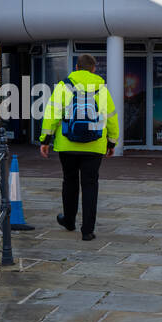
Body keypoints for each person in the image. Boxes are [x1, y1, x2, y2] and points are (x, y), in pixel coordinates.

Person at [39, 54, 119, 241]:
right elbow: (112, 117)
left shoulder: (64, 86)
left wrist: (45, 140)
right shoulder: (101, 88)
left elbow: (52, 114)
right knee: (90, 185)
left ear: (76, 67)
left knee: (70, 181)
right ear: (94, 69)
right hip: (94, 145)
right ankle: (88, 231)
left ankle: (68, 220)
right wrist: (112, 142)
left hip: (67, 145)